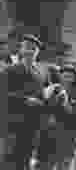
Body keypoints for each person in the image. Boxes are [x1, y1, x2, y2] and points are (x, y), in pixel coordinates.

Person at [5, 32, 49, 170]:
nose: (30, 51)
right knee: (10, 162)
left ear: (38, 52)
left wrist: (48, 96)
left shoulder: (41, 74)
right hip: (13, 125)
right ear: (21, 49)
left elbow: (43, 96)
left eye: (34, 48)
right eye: (27, 47)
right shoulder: (10, 70)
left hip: (33, 126)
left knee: (26, 161)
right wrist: (24, 100)